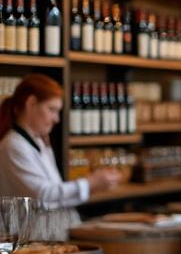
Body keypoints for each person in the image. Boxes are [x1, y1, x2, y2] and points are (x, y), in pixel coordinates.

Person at [0, 74, 121, 239]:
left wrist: (91, 185)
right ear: (31, 103)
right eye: (51, 110)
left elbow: (55, 194)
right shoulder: (14, 145)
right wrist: (91, 183)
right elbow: (44, 196)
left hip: (47, 237)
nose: (56, 119)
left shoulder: (37, 141)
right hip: (28, 243)